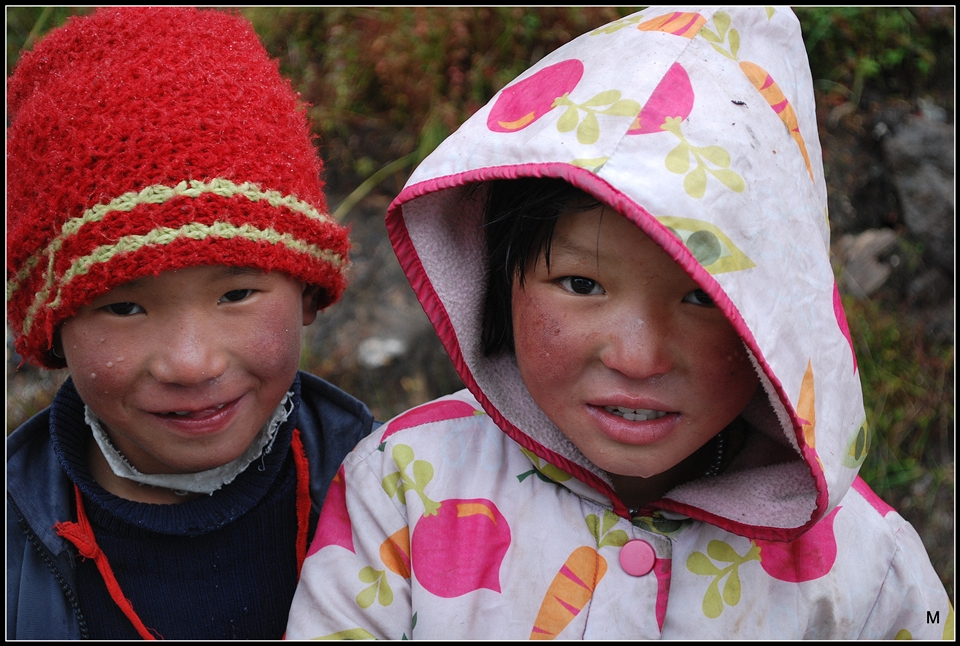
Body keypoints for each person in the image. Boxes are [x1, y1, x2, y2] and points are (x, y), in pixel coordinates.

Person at [285, 7, 952, 640]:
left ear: (779, 319)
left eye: (702, 299)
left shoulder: (868, 571)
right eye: (581, 284)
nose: (638, 357)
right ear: (496, 281)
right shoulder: (404, 487)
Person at [6, 7, 379, 640]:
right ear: (52, 330)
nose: (190, 362)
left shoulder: (403, 500)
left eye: (236, 293)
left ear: (309, 293)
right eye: (124, 306)